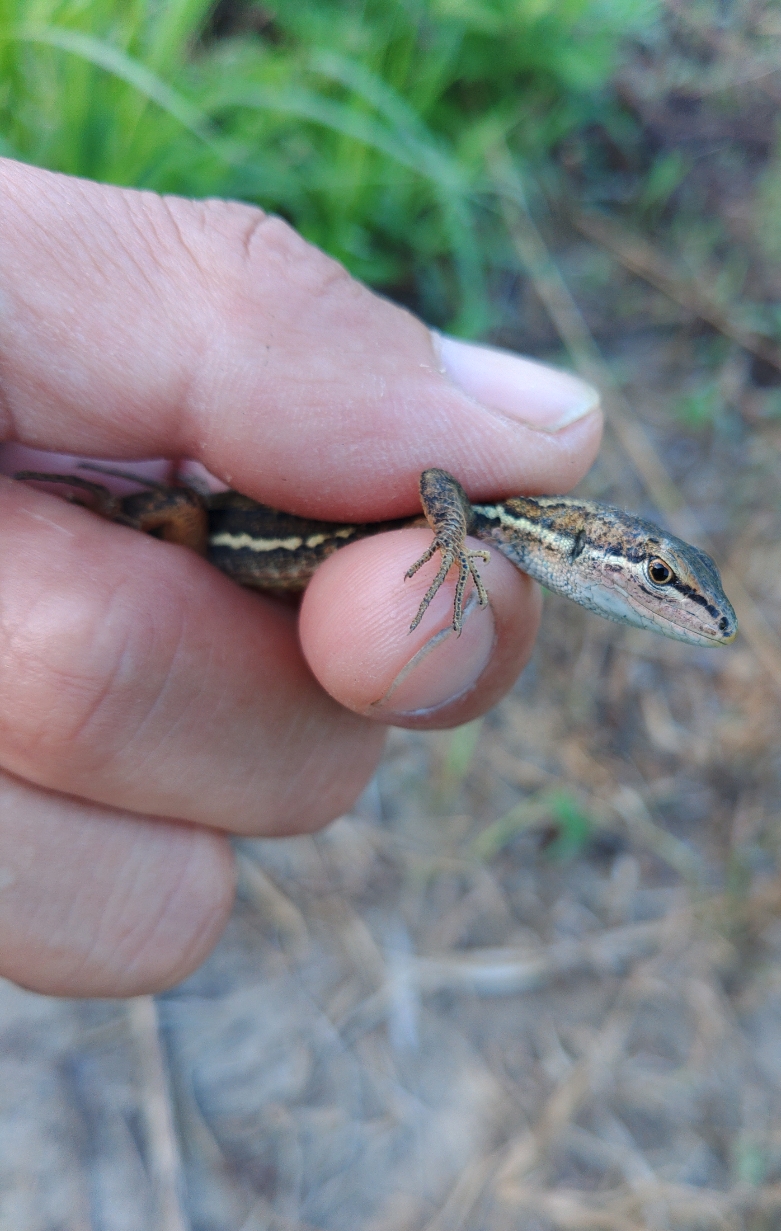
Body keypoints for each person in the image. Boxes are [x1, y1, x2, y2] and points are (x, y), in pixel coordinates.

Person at [0, 158, 603, 998]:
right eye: (651, 573)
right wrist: (453, 542)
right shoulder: (481, 510)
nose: (657, 590)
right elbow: (435, 481)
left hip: (242, 567)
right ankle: (113, 502)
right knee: (170, 523)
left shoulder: (498, 531)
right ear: (595, 548)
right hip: (223, 534)